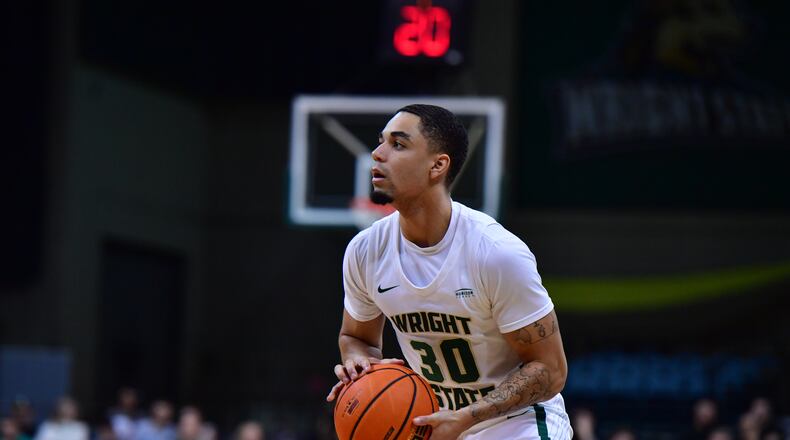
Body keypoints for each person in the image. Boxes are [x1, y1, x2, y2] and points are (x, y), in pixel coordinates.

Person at [326, 104, 571, 439]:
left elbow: (551, 370)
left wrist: (469, 416)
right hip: (439, 426)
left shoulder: (495, 253)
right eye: (380, 142)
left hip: (518, 424)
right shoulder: (365, 251)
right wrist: (358, 363)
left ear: (437, 166)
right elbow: (356, 337)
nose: (377, 153)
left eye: (398, 144)